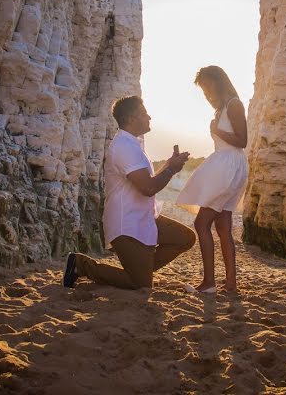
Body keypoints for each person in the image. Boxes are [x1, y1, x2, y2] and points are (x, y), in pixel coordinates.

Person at [63, 95, 195, 290]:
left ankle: (142, 269)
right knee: (140, 283)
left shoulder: (133, 144)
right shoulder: (125, 147)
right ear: (132, 118)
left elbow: (146, 181)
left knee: (185, 238)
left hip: (145, 218)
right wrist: (170, 170)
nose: (149, 117)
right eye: (144, 113)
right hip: (127, 225)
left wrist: (169, 165)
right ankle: (82, 265)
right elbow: (148, 188)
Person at [176, 66, 249, 293]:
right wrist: (218, 128)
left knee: (201, 222)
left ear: (219, 82)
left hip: (230, 167)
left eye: (208, 85)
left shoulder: (234, 104)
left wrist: (218, 130)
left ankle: (209, 283)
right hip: (225, 165)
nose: (206, 92)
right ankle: (230, 284)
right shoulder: (221, 109)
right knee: (223, 226)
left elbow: (242, 140)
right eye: (203, 88)